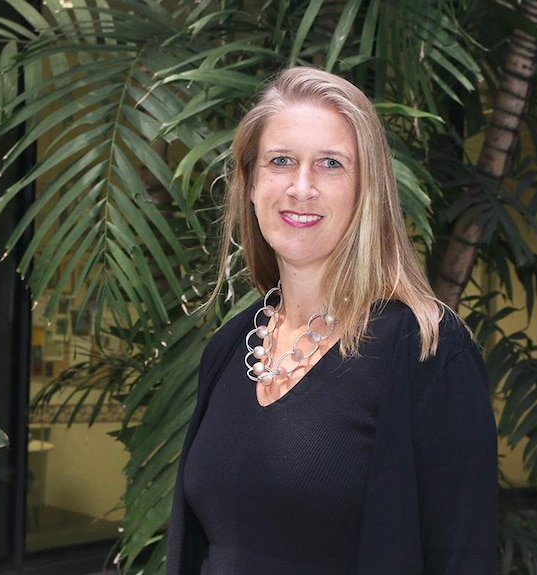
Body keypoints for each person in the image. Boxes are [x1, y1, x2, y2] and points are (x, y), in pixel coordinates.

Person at [166, 66, 497, 575]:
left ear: (368, 191)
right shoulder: (232, 348)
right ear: (251, 184)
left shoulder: (426, 352)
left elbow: (463, 558)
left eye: (330, 164)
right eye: (281, 162)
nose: (302, 187)